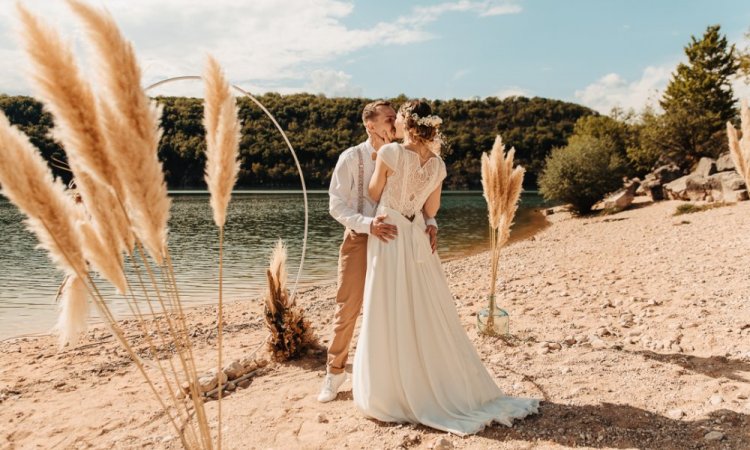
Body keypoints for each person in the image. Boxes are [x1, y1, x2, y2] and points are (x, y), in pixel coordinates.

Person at [352, 99, 539, 435]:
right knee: (424, 308)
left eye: (398, 120)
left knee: (389, 305)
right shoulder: (438, 165)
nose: (392, 124)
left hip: (390, 234)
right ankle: (435, 382)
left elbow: (374, 190)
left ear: (407, 123)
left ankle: (393, 390)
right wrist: (429, 221)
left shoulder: (390, 154)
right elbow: (431, 208)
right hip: (416, 236)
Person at [318, 100, 439, 402]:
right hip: (361, 238)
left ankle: (394, 376)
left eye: (394, 118)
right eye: (387, 119)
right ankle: (335, 373)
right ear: (369, 125)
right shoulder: (351, 157)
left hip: (398, 239)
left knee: (396, 307)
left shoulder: (407, 154)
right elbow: (336, 204)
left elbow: (420, 198)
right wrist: (367, 224)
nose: (393, 123)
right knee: (348, 308)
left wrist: (431, 221)